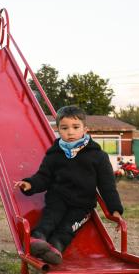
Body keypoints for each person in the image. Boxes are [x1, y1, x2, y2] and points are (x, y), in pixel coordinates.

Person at [14, 105, 123, 265]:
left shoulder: (98, 156)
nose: (70, 132)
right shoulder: (54, 154)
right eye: (64, 128)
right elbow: (43, 177)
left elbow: (107, 186)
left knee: (68, 228)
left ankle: (55, 249)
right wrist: (29, 184)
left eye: (75, 127)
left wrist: (115, 210)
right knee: (50, 218)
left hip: (83, 206)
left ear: (85, 129)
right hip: (58, 198)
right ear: (58, 129)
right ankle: (37, 239)